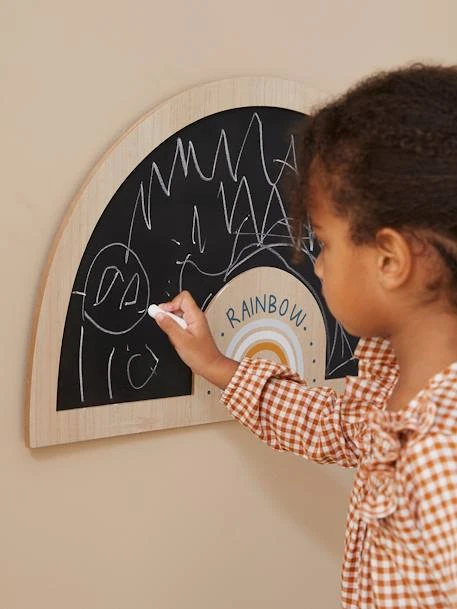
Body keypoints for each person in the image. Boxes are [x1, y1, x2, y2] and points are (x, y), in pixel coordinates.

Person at [153, 64, 457, 608]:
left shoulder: (439, 458)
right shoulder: (403, 388)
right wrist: (219, 365)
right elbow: (338, 427)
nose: (317, 265)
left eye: (325, 243)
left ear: (390, 260)